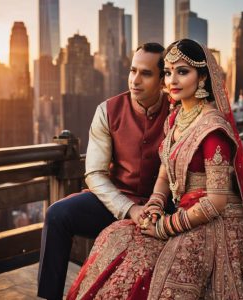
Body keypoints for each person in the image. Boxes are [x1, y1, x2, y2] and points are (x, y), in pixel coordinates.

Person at [66, 39, 243, 300]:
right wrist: (154, 206)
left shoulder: (212, 129)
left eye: (183, 71)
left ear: (201, 78)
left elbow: (216, 202)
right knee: (115, 238)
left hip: (212, 221)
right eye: (167, 72)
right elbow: (165, 174)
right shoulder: (176, 119)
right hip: (179, 211)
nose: (172, 80)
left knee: (162, 274)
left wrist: (164, 227)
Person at [37, 42, 171, 299]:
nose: (135, 79)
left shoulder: (177, 112)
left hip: (163, 206)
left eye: (146, 73)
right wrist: (129, 209)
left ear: (162, 80)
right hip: (115, 202)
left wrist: (156, 207)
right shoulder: (106, 111)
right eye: (133, 71)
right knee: (57, 215)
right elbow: (95, 174)